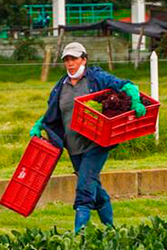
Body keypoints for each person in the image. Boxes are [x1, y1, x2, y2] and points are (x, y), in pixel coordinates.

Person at [29, 42, 147, 234]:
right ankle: (111, 229)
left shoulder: (96, 79)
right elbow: (53, 112)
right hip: (73, 147)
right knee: (94, 187)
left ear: (84, 59)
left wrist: (134, 99)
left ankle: (79, 235)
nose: (70, 64)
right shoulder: (61, 86)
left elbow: (126, 85)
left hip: (96, 143)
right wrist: (39, 124)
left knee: (84, 187)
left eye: (74, 59)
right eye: (67, 60)